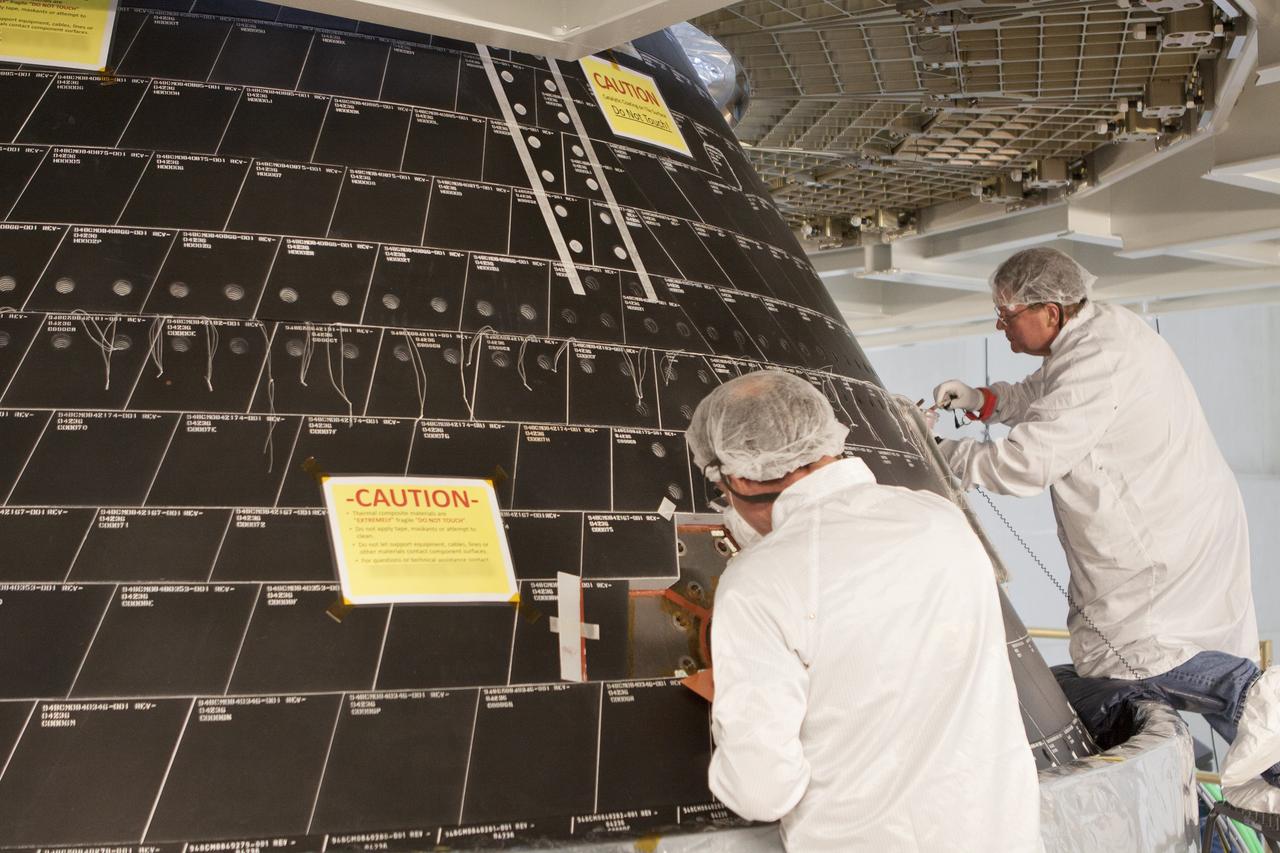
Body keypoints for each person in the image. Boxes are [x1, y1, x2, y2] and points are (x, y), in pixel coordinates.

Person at [931, 246, 1277, 799]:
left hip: (1154, 534)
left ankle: (1258, 715)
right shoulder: (1100, 330)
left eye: (1008, 314)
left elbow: (1026, 464)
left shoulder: (1100, 359)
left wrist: (947, 455)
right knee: (1134, 652)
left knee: (1144, 657)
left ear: (1050, 310)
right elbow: (1048, 391)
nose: (1001, 326)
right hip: (1177, 517)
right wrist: (985, 401)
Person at [687, 369, 1042, 851]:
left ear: (743, 476)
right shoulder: (940, 519)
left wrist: (736, 708)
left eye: (719, 483)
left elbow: (761, 791)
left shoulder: (758, 583)